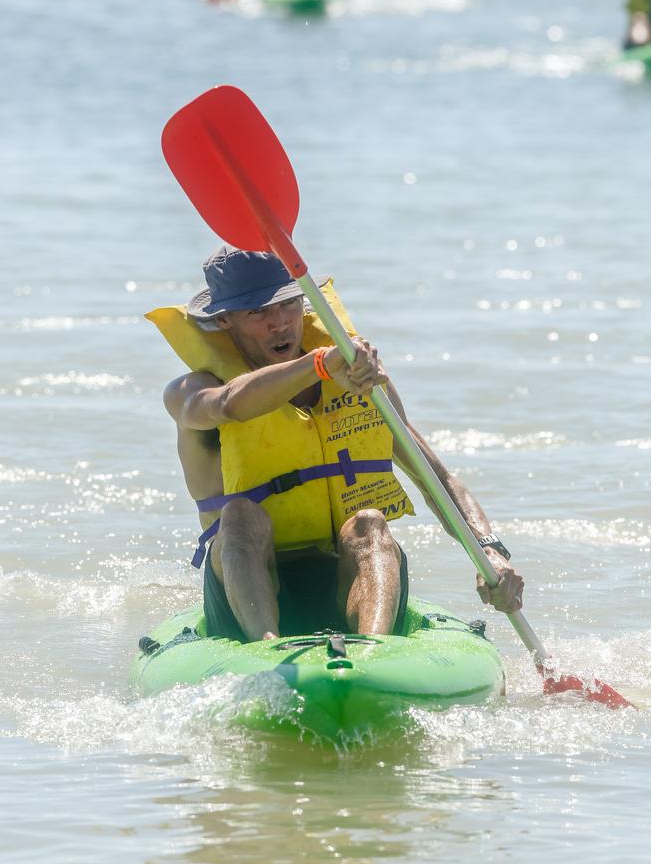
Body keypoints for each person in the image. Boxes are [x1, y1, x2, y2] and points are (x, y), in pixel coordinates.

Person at [153, 246, 524, 644]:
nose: (280, 323)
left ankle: (373, 653)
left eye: (289, 303)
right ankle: (266, 649)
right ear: (224, 319)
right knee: (241, 514)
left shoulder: (358, 377)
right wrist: (317, 364)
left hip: (350, 576)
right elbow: (228, 405)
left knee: (369, 523)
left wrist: (488, 550)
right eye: (258, 312)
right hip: (245, 588)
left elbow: (435, 476)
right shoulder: (191, 390)